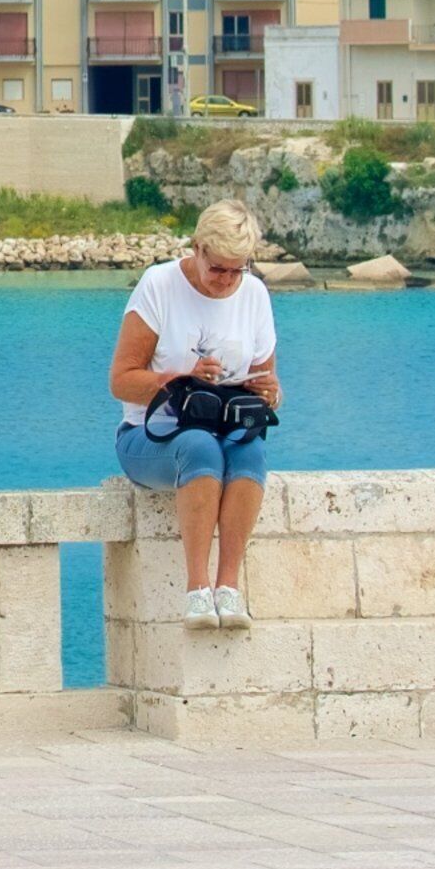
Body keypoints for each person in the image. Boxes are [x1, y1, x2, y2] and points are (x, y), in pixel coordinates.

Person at [110, 201, 282, 628]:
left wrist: (271, 393)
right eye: (217, 268)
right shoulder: (158, 285)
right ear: (198, 249)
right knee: (199, 447)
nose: (226, 281)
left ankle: (228, 587)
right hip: (149, 435)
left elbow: (267, 377)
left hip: (226, 428)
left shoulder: (255, 294)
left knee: (251, 452)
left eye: (236, 271)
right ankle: (196, 591)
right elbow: (121, 381)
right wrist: (179, 379)